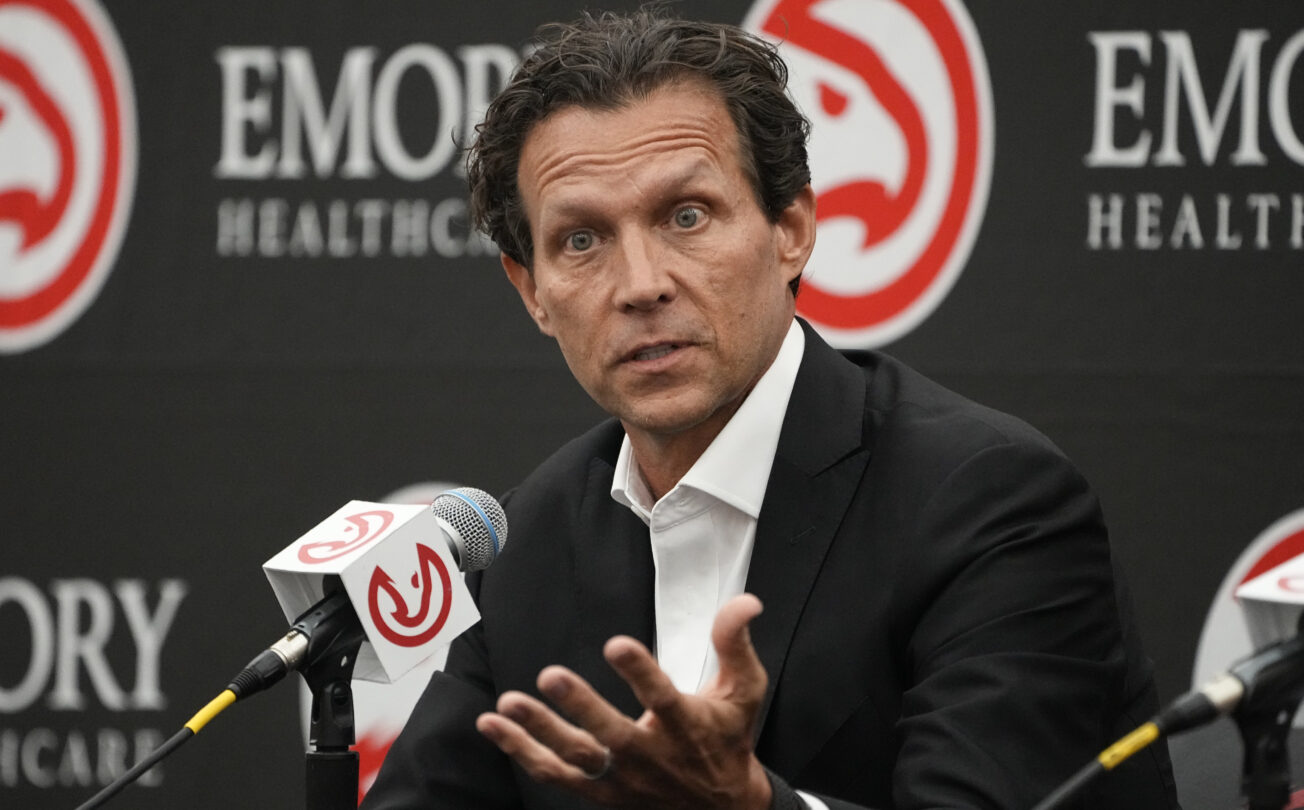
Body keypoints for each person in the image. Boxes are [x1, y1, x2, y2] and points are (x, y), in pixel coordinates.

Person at [362, 7, 1178, 810]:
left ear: (791, 229)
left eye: (686, 216)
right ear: (532, 290)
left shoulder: (988, 502)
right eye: (581, 240)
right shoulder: (527, 543)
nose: (641, 284)